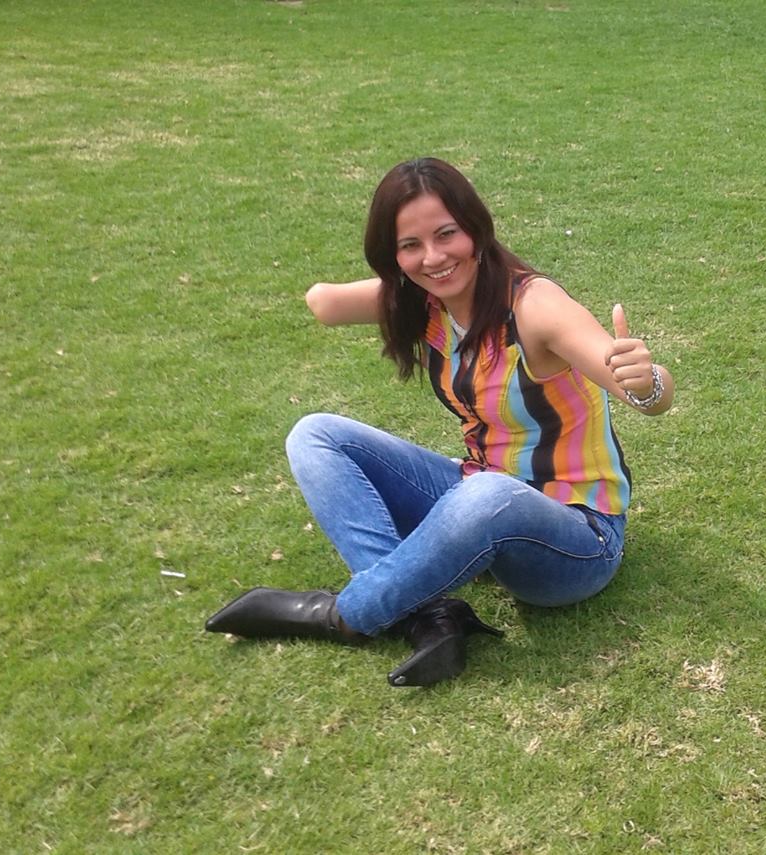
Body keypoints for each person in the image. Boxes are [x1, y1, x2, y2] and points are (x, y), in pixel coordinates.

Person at [205, 157, 675, 687]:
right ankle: (428, 617)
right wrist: (404, 277)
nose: (433, 256)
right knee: (314, 434)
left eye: (447, 234)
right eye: (411, 245)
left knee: (488, 494)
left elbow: (643, 393)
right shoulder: (428, 301)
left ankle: (345, 615)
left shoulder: (535, 306)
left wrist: (644, 383)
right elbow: (325, 303)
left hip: (576, 540)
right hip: (479, 496)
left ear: (476, 228)